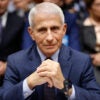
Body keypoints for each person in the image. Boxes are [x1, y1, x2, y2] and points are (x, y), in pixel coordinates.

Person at [0, 2, 100, 100]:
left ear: (64, 30)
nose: (49, 37)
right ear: (31, 33)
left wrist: (65, 86)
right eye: (42, 30)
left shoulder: (81, 61)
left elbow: (96, 97)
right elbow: (4, 97)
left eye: (55, 29)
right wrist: (29, 83)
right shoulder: (16, 61)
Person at [0, 0, 24, 86]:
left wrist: (8, 65)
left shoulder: (20, 21)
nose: (0, 3)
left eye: (3, 0)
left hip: (10, 76)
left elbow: (24, 50)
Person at [79, 0, 100, 84]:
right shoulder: (82, 25)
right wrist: (93, 57)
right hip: (92, 64)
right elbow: (78, 50)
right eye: (98, 5)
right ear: (90, 8)